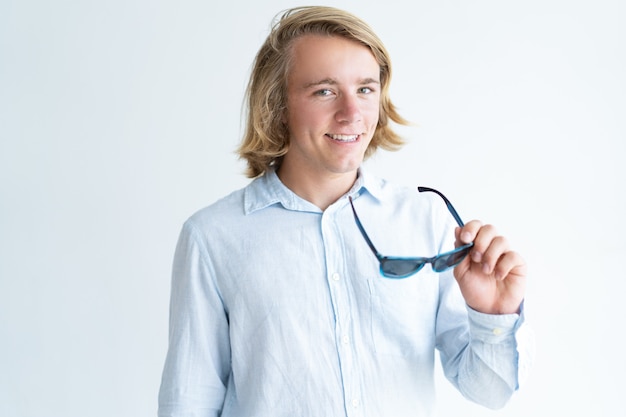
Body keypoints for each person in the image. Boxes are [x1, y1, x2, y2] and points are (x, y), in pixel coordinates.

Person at [158, 6, 532, 417]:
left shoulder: (425, 221)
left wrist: (491, 316)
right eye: (324, 91)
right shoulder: (213, 237)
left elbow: (490, 392)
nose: (352, 113)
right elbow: (188, 403)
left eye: (366, 89)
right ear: (277, 105)